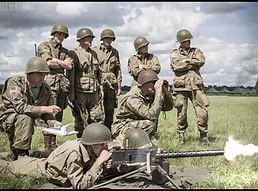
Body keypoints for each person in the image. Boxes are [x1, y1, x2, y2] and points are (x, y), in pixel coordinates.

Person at [0, 123, 112, 189]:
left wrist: (101, 166)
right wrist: (98, 164)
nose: (105, 148)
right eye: (103, 145)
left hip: (44, 163)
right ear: (92, 145)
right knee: (6, 168)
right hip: (36, 169)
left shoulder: (89, 150)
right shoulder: (74, 154)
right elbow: (80, 185)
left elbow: (86, 169)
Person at [0, 57, 62, 161]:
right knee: (25, 118)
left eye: (44, 74)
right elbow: (20, 107)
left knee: (26, 119)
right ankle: (22, 155)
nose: (43, 78)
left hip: (23, 122)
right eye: (40, 74)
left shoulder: (45, 89)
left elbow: (46, 114)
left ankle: (18, 155)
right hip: (7, 119)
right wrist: (45, 109)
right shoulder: (15, 83)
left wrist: (53, 123)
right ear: (30, 73)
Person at [111, 69, 173, 146]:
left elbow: (168, 107)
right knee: (149, 124)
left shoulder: (148, 95)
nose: (155, 85)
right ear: (145, 83)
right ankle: (132, 145)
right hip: (122, 127)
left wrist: (166, 92)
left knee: (149, 124)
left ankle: (142, 145)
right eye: (153, 82)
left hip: (135, 125)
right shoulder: (132, 98)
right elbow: (151, 116)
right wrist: (158, 95)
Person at [170, 29, 210, 145]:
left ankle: (203, 136)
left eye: (189, 40)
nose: (188, 42)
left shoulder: (196, 51)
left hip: (196, 86)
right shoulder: (174, 53)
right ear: (180, 42)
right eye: (185, 41)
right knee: (181, 113)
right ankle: (181, 137)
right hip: (181, 87)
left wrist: (186, 61)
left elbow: (201, 61)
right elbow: (176, 66)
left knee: (202, 112)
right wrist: (192, 63)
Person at [37, 24, 74, 151]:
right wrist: (62, 63)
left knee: (58, 115)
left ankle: (54, 144)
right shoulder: (44, 45)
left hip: (62, 87)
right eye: (59, 34)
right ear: (53, 34)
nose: (61, 37)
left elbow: (69, 66)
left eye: (63, 35)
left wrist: (57, 62)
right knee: (49, 115)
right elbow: (47, 63)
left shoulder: (65, 51)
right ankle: (47, 146)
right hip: (49, 86)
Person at [70, 28, 104, 138]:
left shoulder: (94, 53)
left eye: (91, 38)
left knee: (97, 116)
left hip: (94, 90)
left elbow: (99, 72)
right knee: (81, 118)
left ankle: (96, 138)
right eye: (88, 38)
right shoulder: (75, 54)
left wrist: (101, 88)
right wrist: (71, 92)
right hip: (80, 91)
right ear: (81, 39)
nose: (90, 40)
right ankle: (80, 139)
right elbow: (71, 74)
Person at [92, 29, 122, 131]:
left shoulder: (115, 52)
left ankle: (108, 132)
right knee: (97, 112)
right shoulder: (95, 51)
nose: (108, 40)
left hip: (111, 84)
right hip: (99, 81)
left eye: (110, 39)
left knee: (110, 110)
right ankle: (98, 133)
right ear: (102, 39)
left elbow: (118, 69)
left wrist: (119, 85)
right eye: (106, 38)